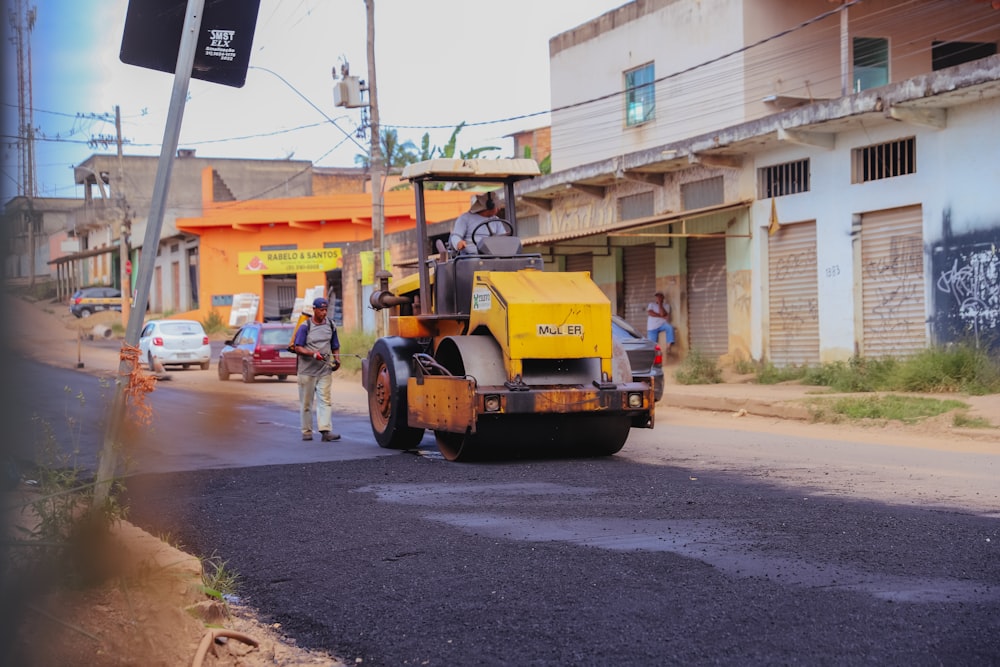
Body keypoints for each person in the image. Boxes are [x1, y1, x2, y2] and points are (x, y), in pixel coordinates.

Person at [292, 297, 341, 442]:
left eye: (326, 310)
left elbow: (335, 345)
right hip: (306, 371)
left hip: (324, 370)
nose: (324, 313)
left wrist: (337, 359)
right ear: (314, 310)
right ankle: (306, 431)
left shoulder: (331, 325)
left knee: (325, 401)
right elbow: (298, 347)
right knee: (306, 403)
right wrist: (313, 354)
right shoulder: (305, 326)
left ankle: (326, 432)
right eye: (321, 310)